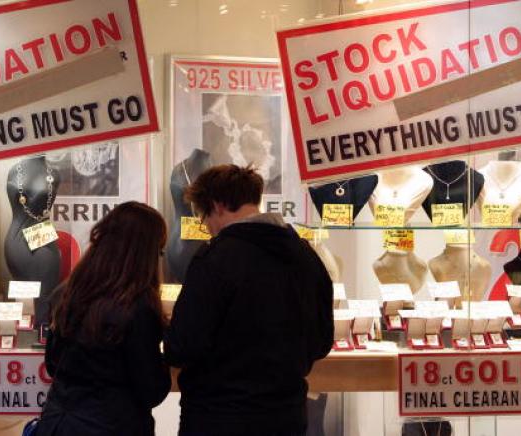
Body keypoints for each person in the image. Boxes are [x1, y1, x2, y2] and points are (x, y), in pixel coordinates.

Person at [164, 164, 334, 436]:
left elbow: (182, 347)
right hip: (286, 416)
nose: (206, 227)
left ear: (218, 205)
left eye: (204, 216)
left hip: (218, 418)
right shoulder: (306, 256)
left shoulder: (215, 259)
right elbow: (322, 342)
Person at [37, 201, 171, 436]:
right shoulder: (137, 308)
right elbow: (151, 389)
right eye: (159, 251)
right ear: (145, 254)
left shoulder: (67, 294)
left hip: (57, 422)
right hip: (112, 425)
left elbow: (53, 363)